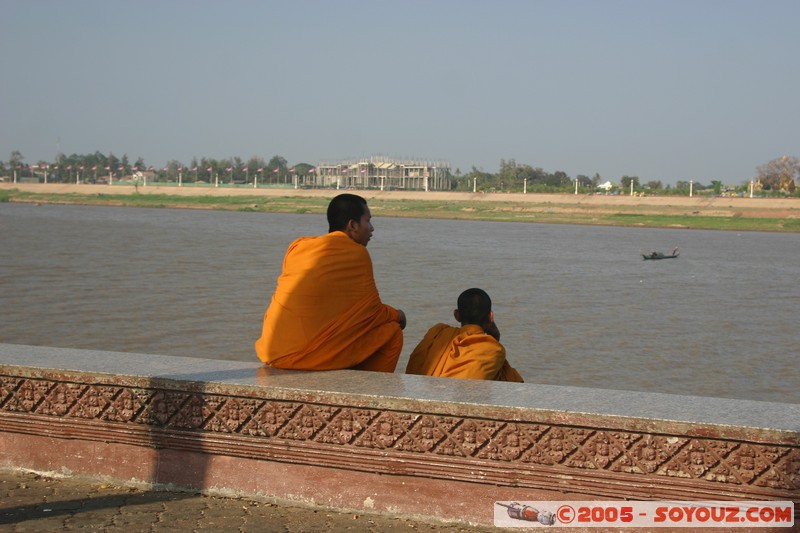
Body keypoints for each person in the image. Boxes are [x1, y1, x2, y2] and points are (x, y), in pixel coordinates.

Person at [255, 193, 406, 372]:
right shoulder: (357, 253)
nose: (372, 228)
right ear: (352, 225)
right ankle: (370, 388)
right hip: (305, 358)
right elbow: (372, 312)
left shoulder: (299, 246)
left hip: (273, 353)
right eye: (368, 221)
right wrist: (398, 315)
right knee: (393, 331)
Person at [405, 288, 523, 382]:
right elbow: (515, 384)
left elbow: (414, 367)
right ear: (491, 316)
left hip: (420, 397)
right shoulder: (493, 349)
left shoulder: (438, 331)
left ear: (456, 315)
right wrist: (495, 340)